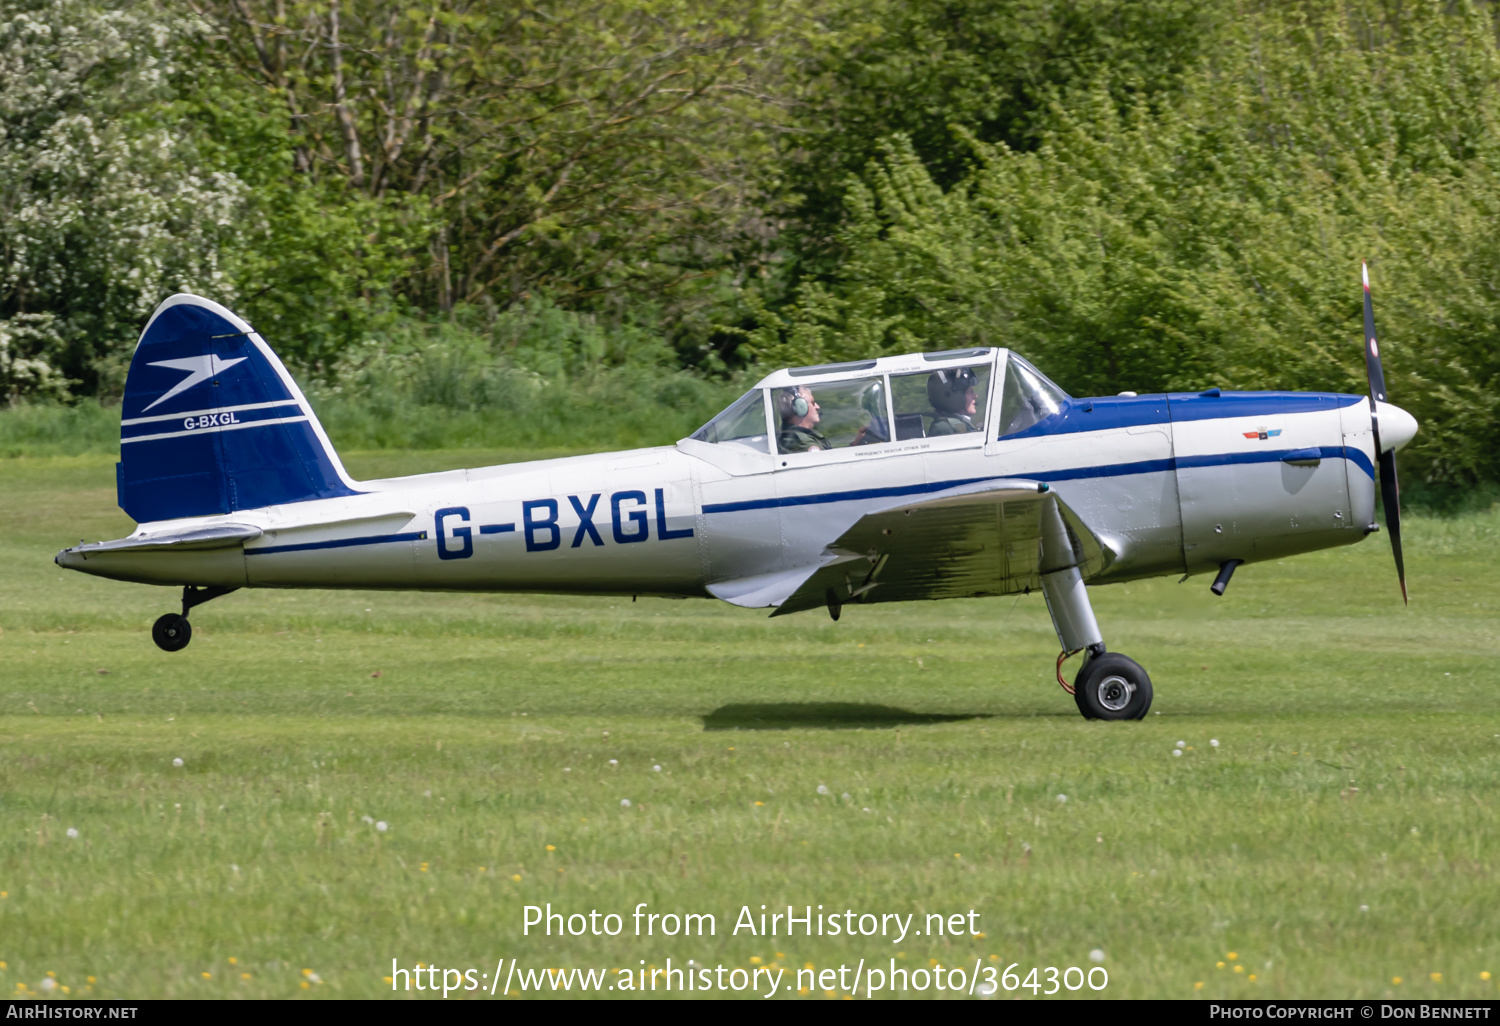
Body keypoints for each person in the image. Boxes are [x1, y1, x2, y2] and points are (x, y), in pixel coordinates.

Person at [776, 386, 832, 453]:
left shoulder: (794, 436)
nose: (817, 407)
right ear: (800, 407)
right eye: (812, 403)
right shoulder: (803, 442)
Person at [927, 367, 979, 435]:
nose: (975, 396)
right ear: (954, 397)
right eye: (970, 392)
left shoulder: (955, 423)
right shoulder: (945, 427)